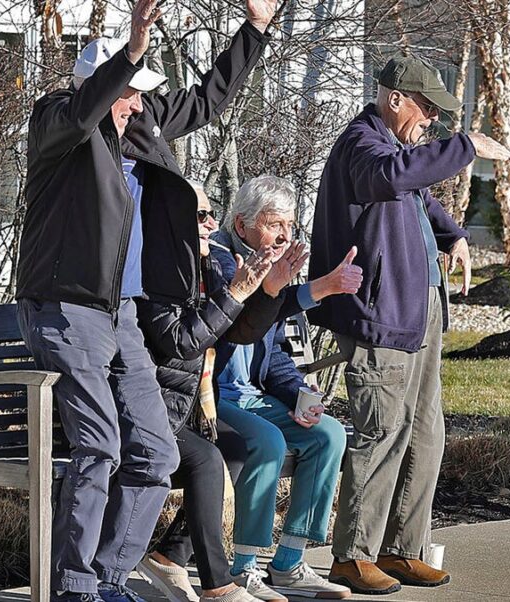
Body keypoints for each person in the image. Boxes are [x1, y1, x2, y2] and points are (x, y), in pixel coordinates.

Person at [14, 1, 276, 599]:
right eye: (129, 90)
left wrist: (255, 27)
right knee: (101, 443)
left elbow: (207, 99)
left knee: (157, 454)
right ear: (101, 85)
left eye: (140, 93)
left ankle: (107, 578)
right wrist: (132, 45)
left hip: (124, 313)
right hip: (64, 309)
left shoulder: (138, 123)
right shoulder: (57, 123)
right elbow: (85, 107)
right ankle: (76, 587)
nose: (137, 104)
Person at [307, 54, 510, 595]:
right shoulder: (363, 144)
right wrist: (466, 147)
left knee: (425, 434)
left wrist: (455, 235)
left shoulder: (393, 145)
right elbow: (391, 177)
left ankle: (403, 550)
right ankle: (353, 557)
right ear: (394, 98)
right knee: (382, 431)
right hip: (380, 316)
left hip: (416, 312)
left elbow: (416, 193)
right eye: (425, 108)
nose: (430, 120)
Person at [209, 175, 362, 599]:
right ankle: (243, 567)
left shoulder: (269, 269)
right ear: (241, 225)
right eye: (276, 224)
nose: (285, 236)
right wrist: (312, 289)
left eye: (291, 226)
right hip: (208, 397)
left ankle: (289, 562)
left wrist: (298, 397)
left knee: (328, 434)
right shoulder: (217, 260)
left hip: (252, 396)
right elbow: (245, 314)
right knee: (269, 442)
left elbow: (274, 354)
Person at [135, 183, 284, 602]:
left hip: (178, 409)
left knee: (233, 449)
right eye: (201, 216)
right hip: (144, 409)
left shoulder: (201, 268)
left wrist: (270, 290)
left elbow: (235, 331)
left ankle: (169, 554)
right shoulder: (156, 272)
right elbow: (179, 343)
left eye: (210, 214)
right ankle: (219, 584)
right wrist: (236, 293)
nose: (212, 223)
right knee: (207, 458)